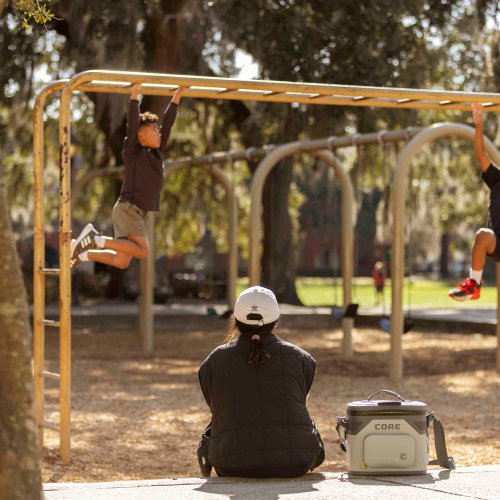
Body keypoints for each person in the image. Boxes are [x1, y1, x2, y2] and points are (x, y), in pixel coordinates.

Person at [197, 286, 325, 478]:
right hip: (297, 460)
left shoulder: (214, 361)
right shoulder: (301, 358)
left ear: (236, 321)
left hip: (231, 462)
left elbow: (216, 405)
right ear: (275, 322)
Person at [70, 83, 185, 269]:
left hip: (136, 212)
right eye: (154, 130)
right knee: (142, 250)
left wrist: (178, 95)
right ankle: (95, 239)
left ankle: (83, 253)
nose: (159, 133)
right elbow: (132, 126)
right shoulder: (133, 152)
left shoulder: (157, 153)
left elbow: (169, 122)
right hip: (129, 209)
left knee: (121, 261)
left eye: (158, 129)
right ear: (140, 137)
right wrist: (134, 97)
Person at [449, 103, 499, 301]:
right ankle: (474, 284)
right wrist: (479, 125)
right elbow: (481, 154)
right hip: (498, 242)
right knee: (482, 236)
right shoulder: (496, 178)